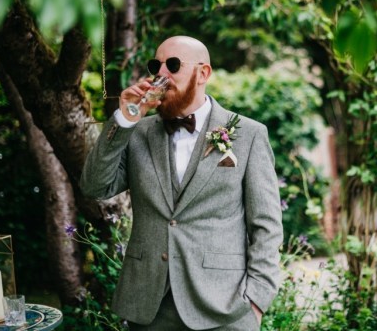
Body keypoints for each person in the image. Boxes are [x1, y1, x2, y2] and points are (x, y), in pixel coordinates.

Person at [80, 36, 283, 330]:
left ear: (203, 73)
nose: (161, 74)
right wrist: (124, 121)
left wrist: (256, 301)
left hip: (224, 307)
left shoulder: (249, 135)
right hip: (149, 306)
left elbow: (267, 226)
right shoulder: (137, 132)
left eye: (173, 65)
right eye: (156, 65)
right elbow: (95, 187)